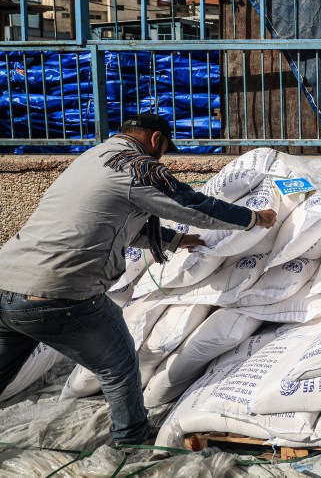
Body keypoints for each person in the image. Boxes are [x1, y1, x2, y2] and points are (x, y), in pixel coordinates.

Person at [0, 113, 277, 447]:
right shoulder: (136, 167)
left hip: (7, 283)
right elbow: (189, 204)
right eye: (164, 148)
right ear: (156, 139)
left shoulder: (94, 158)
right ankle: (131, 443)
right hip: (59, 289)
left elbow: (118, 223)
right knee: (118, 364)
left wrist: (177, 241)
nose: (162, 156)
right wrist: (252, 218)